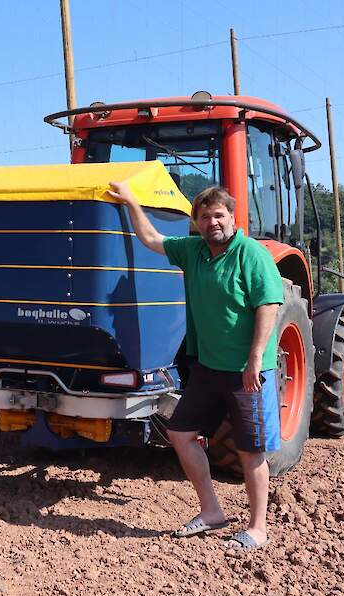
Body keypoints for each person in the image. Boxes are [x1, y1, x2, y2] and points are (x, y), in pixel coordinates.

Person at [106, 183, 283, 550]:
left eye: (219, 215)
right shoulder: (194, 252)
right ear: (196, 224)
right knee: (180, 433)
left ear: (232, 217)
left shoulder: (251, 254)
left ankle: (258, 528)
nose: (212, 222)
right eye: (205, 217)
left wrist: (254, 359)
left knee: (250, 452)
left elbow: (268, 305)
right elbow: (153, 238)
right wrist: (131, 202)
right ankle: (212, 511)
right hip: (208, 368)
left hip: (247, 372)